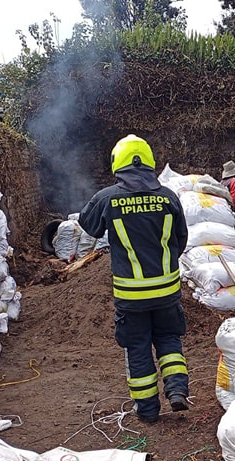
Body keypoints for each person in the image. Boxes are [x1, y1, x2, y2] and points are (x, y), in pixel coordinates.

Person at [78, 134, 191, 424]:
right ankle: (177, 391)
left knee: (138, 347)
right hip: (167, 290)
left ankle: (148, 410)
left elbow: (87, 225)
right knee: (168, 339)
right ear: (150, 163)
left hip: (131, 296)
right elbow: (181, 239)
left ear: (118, 164)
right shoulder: (169, 197)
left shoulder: (107, 198)